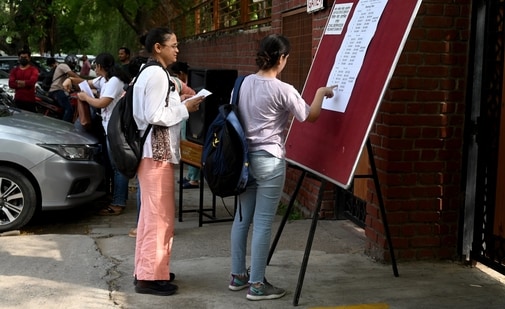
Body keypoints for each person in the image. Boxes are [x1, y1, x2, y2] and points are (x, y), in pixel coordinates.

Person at [228, 34, 336, 301]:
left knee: (242, 219)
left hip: (243, 161)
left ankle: (237, 275)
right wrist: (322, 93)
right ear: (282, 58)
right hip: (270, 160)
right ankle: (257, 285)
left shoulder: (240, 85)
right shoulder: (283, 89)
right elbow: (309, 115)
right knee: (263, 222)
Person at [132, 27, 204, 296]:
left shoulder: (150, 73)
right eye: (173, 45)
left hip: (154, 153)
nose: (177, 49)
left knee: (154, 216)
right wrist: (185, 108)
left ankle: (151, 269)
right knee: (157, 218)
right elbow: (154, 114)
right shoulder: (157, 75)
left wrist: (181, 100)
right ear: (157, 48)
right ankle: (150, 278)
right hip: (155, 154)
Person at [74, 53, 131, 216]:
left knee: (118, 167)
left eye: (95, 65)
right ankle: (118, 198)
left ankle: (118, 202)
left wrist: (85, 96)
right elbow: (87, 82)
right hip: (109, 127)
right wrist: (70, 80)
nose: (94, 68)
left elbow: (102, 102)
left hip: (117, 129)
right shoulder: (104, 79)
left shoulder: (114, 81)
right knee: (114, 166)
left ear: (100, 66)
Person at [171, 61, 200, 189]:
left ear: (181, 74)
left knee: (191, 145)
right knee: (185, 144)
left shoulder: (191, 84)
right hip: (185, 116)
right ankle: (189, 176)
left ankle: (194, 178)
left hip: (193, 120)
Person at [48, 54, 81, 122]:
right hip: (56, 91)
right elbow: (73, 75)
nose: (74, 65)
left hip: (59, 91)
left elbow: (71, 82)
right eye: (73, 63)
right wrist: (84, 82)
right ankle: (65, 126)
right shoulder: (63, 66)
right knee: (69, 109)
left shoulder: (65, 69)